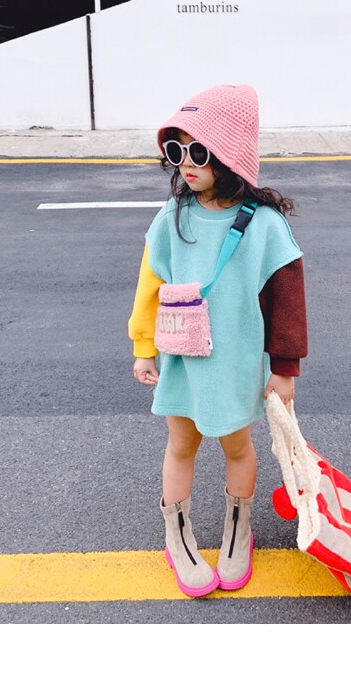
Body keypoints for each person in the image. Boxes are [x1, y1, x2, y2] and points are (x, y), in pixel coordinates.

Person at [128, 84, 307, 598]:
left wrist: (284, 369)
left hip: (235, 364)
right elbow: (150, 282)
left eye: (199, 151)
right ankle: (177, 535)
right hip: (182, 360)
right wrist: (143, 346)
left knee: (237, 447)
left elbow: (288, 301)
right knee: (180, 445)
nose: (186, 163)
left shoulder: (265, 225)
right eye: (176, 150)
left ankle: (238, 529)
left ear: (230, 156)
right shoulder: (173, 216)